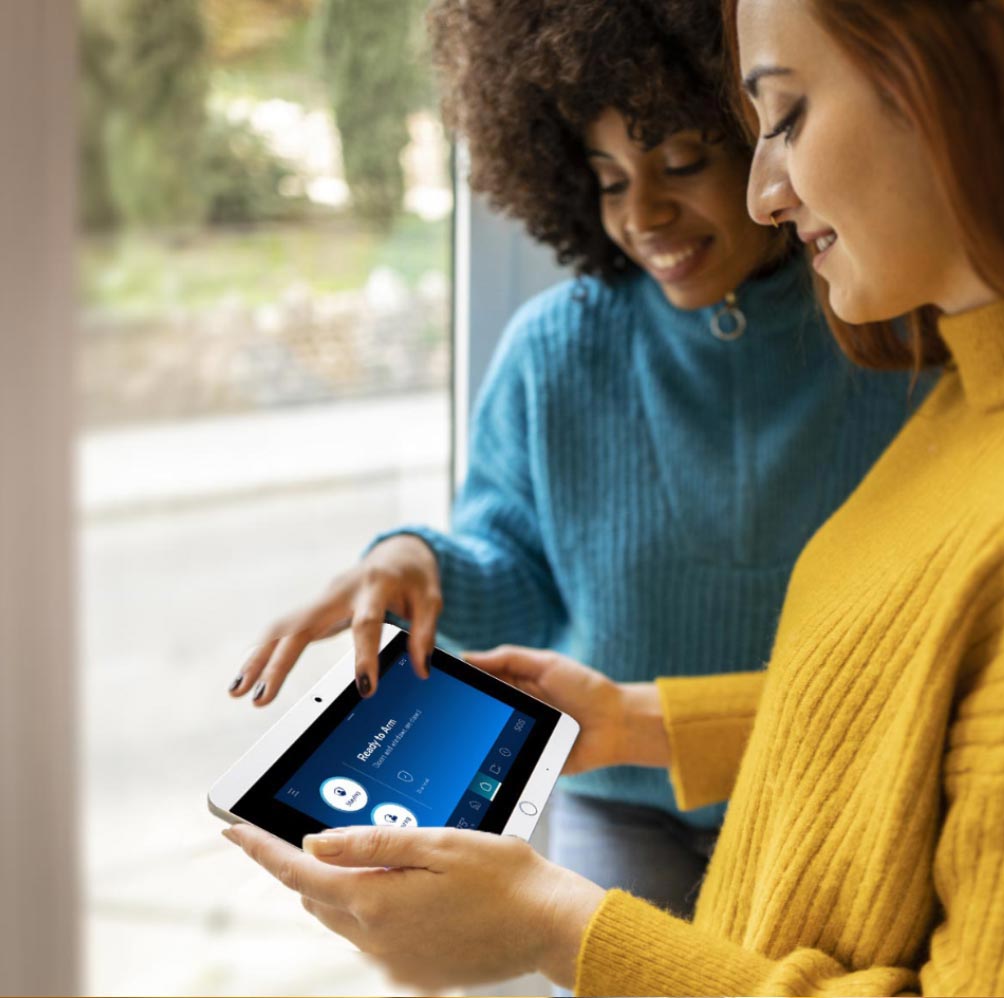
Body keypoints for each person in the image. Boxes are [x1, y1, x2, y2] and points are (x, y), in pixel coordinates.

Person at [224, 0, 1004, 994]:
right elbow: (924, 722)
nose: (764, 192)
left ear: (960, 78)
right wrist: (632, 722)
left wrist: (552, 926)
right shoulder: (981, 392)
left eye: (783, 115)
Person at [226, 0, 917, 930]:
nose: (644, 213)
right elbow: (511, 568)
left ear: (768, 150)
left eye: (682, 163)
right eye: (606, 179)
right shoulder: (555, 350)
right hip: (619, 792)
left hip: (832, 788)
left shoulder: (886, 327)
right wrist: (417, 565)